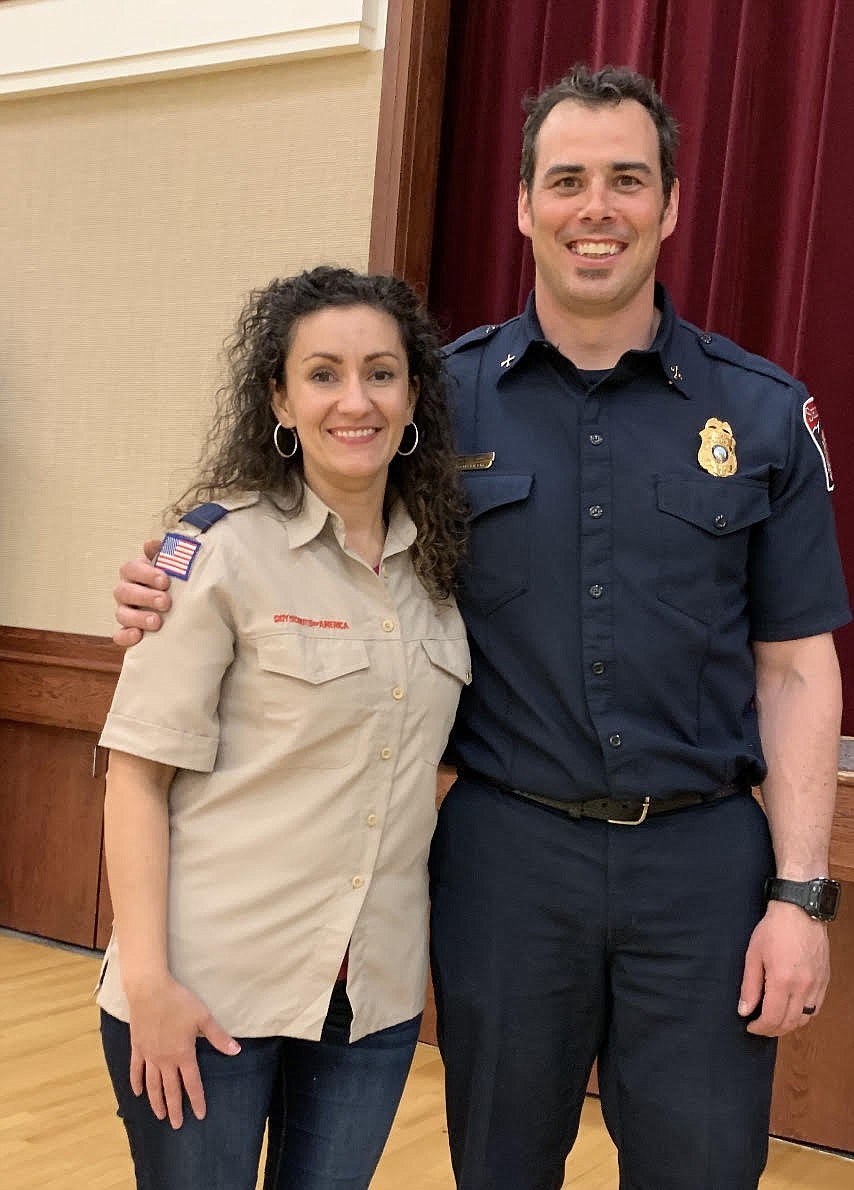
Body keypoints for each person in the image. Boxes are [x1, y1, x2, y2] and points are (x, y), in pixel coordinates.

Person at [112, 66, 849, 1190]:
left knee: (702, 1167)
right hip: (508, 860)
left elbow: (796, 667)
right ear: (521, 204)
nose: (592, 207)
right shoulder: (435, 401)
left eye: (624, 179)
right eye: (565, 180)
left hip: (702, 865)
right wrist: (163, 573)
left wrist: (799, 894)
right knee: (498, 1166)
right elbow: (303, 519)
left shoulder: (756, 412)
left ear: (671, 202)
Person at [97, 265, 471, 1190]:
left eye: (381, 373)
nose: (356, 400)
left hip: (369, 1001)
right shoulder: (217, 551)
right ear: (280, 395)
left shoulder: (441, 571)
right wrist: (149, 984)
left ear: (412, 393)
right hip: (206, 989)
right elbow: (135, 775)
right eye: (323, 374)